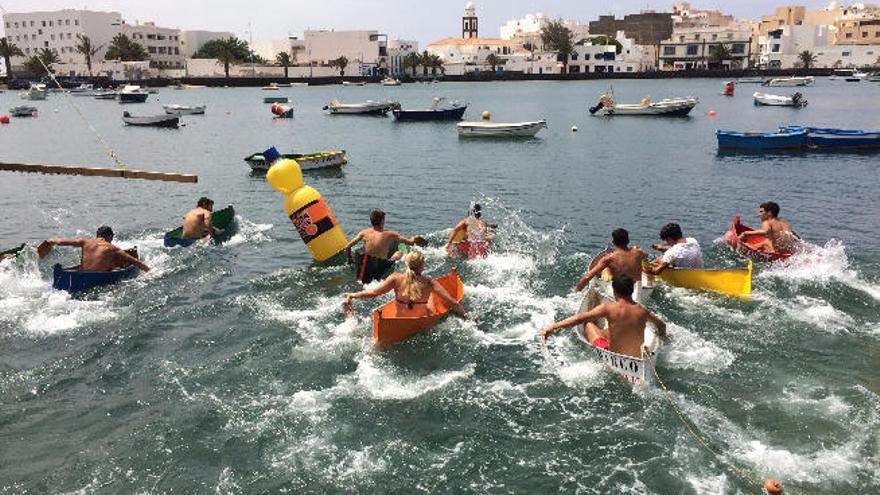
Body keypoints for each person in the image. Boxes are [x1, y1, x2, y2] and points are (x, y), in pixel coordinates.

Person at [542, 275, 666, 358]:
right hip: (637, 358)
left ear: (614, 290)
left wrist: (553, 327)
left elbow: (578, 318)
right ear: (631, 291)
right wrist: (664, 336)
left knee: (589, 324)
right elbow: (662, 325)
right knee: (610, 331)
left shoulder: (608, 308)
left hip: (614, 356)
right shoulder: (642, 311)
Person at [343, 250, 468, 319]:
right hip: (417, 321)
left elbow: (374, 293)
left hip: (398, 320)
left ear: (407, 263)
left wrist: (353, 295)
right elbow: (453, 302)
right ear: (422, 265)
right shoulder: (429, 282)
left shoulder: (395, 278)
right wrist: (468, 317)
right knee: (431, 301)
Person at [342, 209, 428, 283]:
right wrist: (415, 238)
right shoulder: (390, 234)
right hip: (380, 268)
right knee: (399, 252)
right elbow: (410, 242)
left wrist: (350, 259)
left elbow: (347, 247)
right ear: (382, 221)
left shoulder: (364, 233)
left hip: (365, 268)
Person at [40, 226, 150, 272]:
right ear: (110, 237)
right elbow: (135, 261)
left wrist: (49, 242)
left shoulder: (84, 241)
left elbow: (58, 241)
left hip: (83, 272)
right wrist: (150, 270)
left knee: (79, 267)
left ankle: (63, 272)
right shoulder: (112, 248)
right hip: (96, 277)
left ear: (97, 236)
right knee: (116, 265)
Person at [574, 228, 647, 292]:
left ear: (613, 242)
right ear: (628, 241)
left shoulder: (609, 258)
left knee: (607, 268)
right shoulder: (639, 253)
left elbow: (588, 276)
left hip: (620, 291)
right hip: (636, 288)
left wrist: (576, 291)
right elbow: (646, 255)